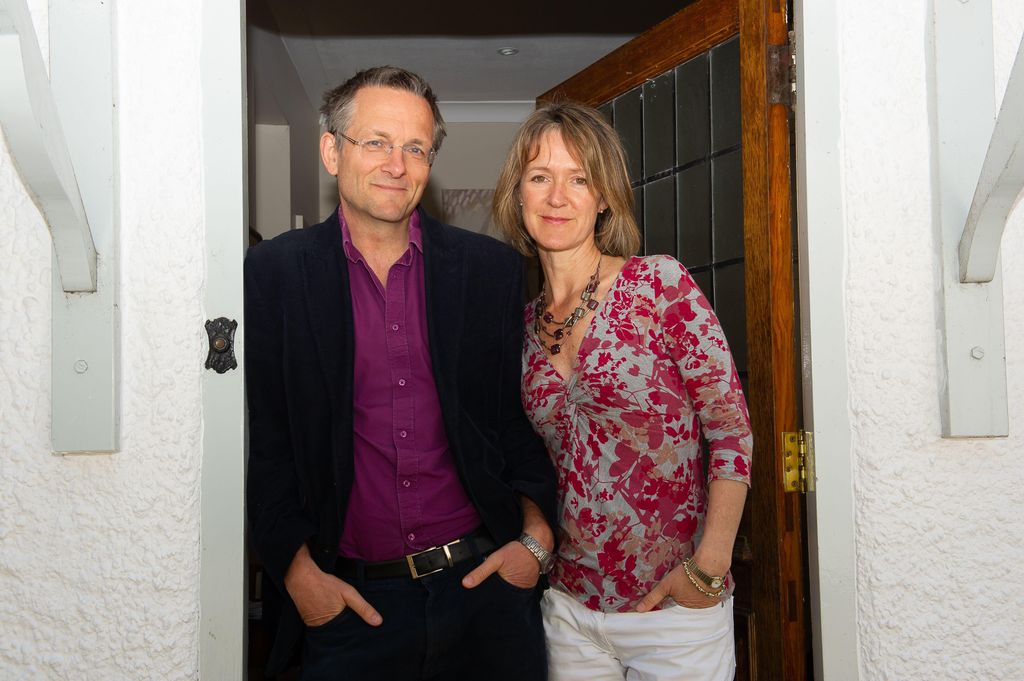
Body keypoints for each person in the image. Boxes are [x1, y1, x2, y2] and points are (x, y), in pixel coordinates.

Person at [245, 66, 558, 681]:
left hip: (485, 595)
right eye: (377, 142)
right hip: (350, 612)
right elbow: (272, 441)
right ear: (332, 151)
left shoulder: (489, 272)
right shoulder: (274, 274)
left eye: (415, 148)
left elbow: (510, 421)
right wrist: (299, 576)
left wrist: (535, 540)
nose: (397, 163)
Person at [492, 102, 753, 681]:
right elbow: (527, 460)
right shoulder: (518, 327)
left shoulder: (658, 284)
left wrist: (709, 567)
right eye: (540, 177)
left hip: (675, 611)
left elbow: (731, 430)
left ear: (604, 195)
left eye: (579, 178)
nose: (558, 196)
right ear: (518, 195)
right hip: (569, 610)